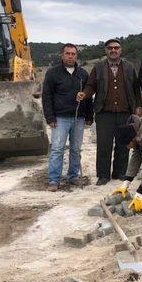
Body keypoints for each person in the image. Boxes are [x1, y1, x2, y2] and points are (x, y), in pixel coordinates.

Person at [77, 38, 142, 186]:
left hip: (125, 112)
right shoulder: (98, 67)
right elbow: (90, 86)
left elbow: (135, 88)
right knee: (104, 145)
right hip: (104, 113)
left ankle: (120, 172)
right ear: (106, 50)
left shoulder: (129, 67)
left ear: (120, 50)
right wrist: (84, 94)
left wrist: (138, 105)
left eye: (116, 48)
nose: (113, 50)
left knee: (123, 144)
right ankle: (103, 175)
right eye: (110, 48)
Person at [42, 43, 92, 191]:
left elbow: (89, 97)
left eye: (73, 54)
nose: (70, 56)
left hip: (79, 118)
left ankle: (73, 176)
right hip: (60, 118)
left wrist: (89, 116)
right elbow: (47, 96)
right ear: (62, 55)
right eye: (67, 53)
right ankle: (53, 180)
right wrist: (50, 117)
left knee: (76, 149)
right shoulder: (52, 73)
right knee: (57, 148)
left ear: (76, 56)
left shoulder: (83, 74)